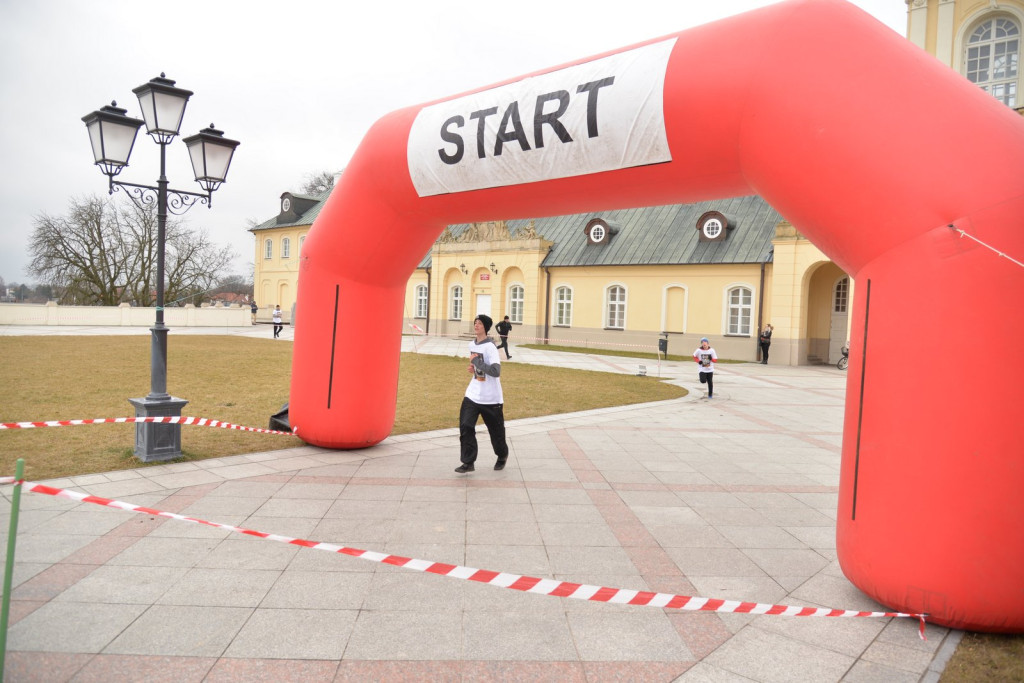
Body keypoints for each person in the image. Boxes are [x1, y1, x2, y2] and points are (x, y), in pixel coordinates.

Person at [455, 314, 509, 473]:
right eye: (475, 323)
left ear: (485, 327)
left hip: (491, 398)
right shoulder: (472, 344)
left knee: (496, 432)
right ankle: (468, 462)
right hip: (473, 394)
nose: (476, 325)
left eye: (479, 323)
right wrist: (474, 369)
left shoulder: (491, 347)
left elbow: (495, 371)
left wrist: (477, 362)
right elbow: (479, 368)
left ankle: (502, 455)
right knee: (465, 426)